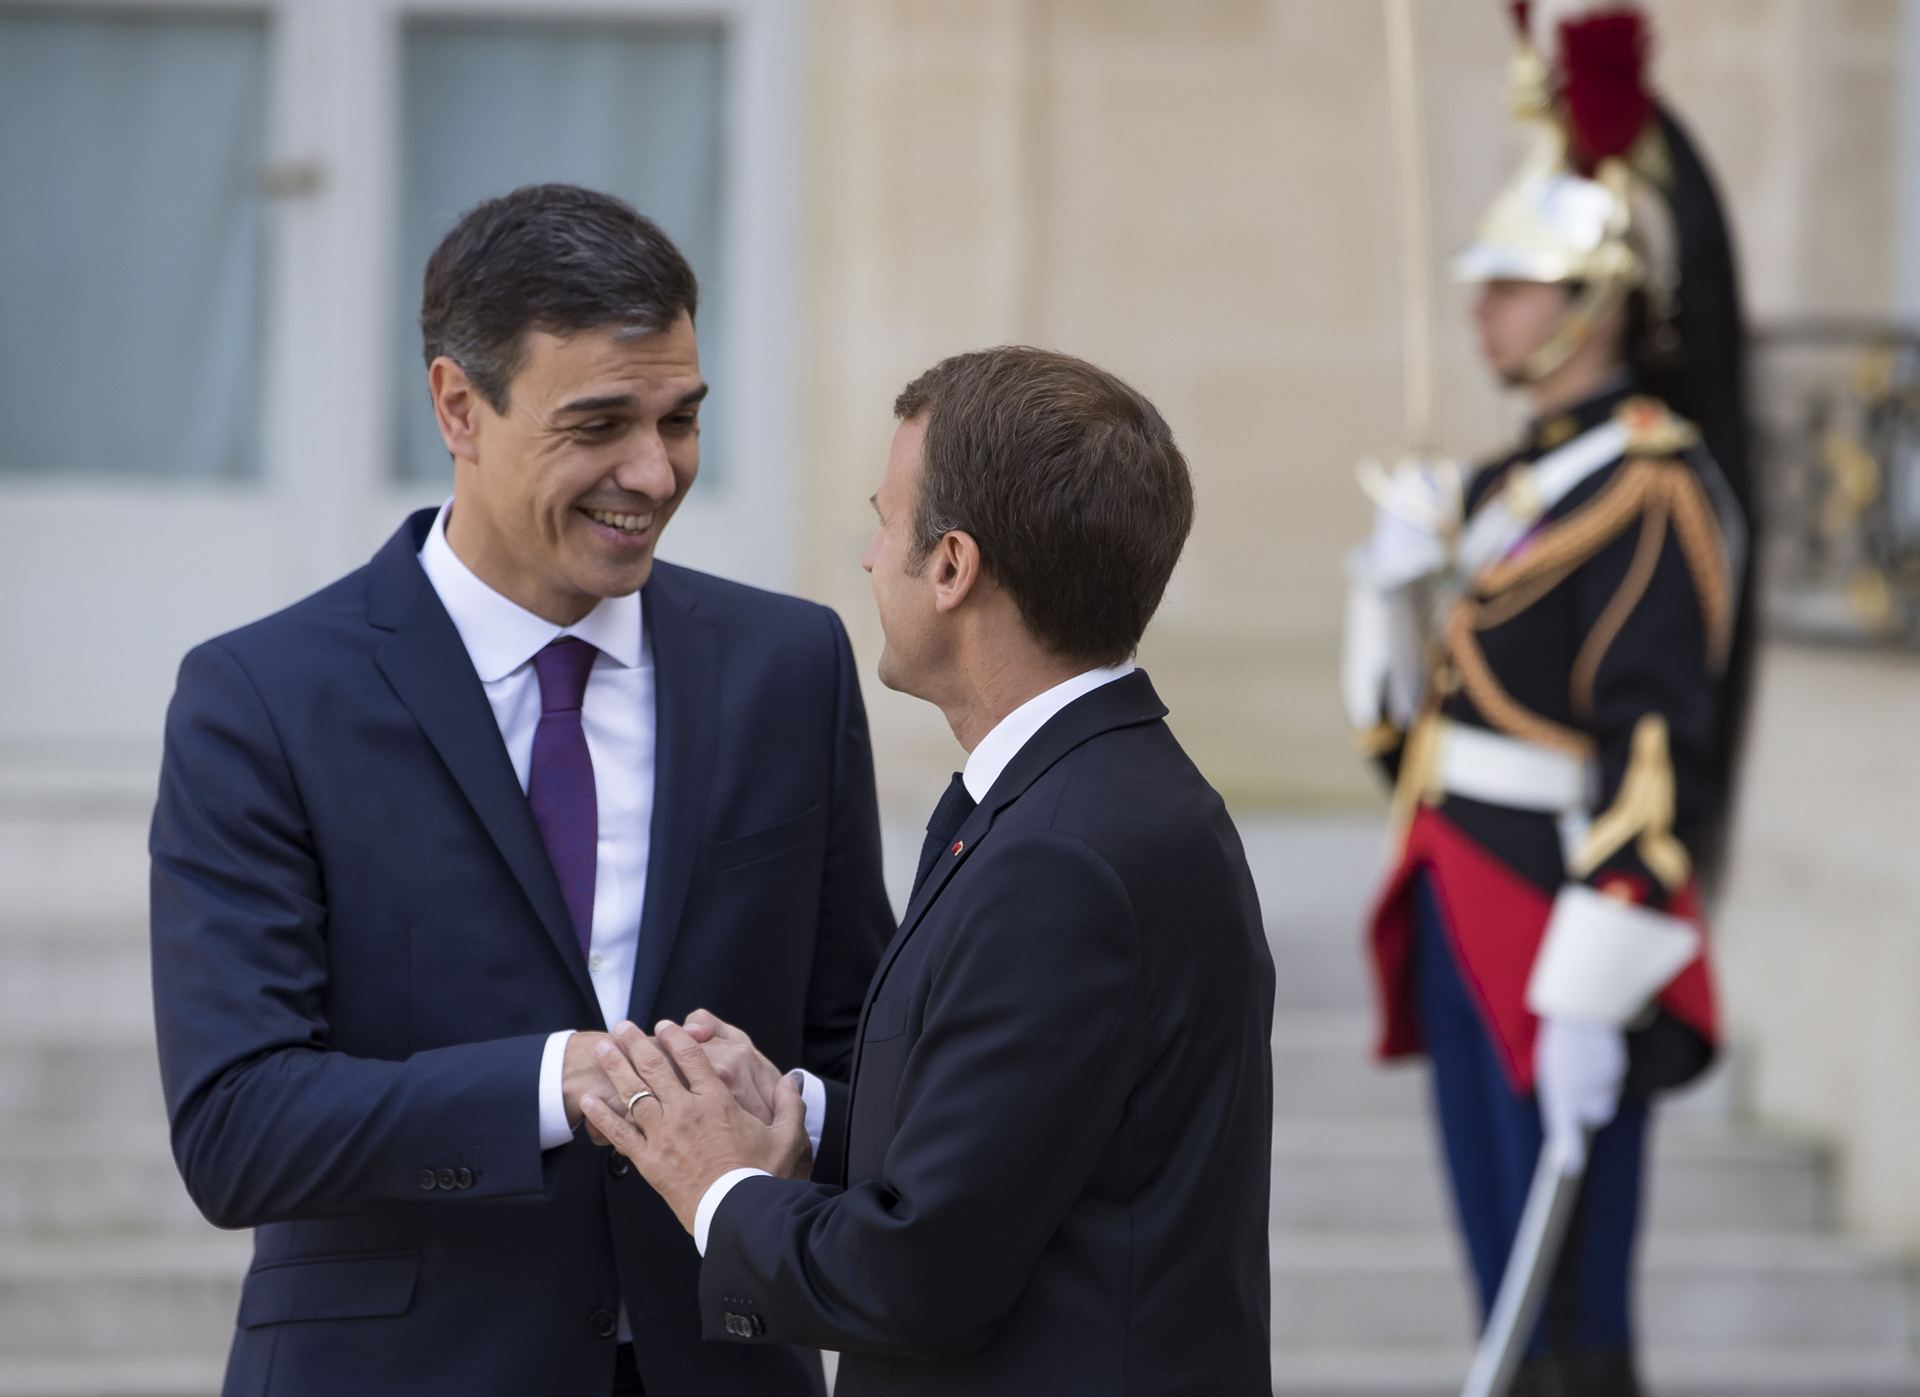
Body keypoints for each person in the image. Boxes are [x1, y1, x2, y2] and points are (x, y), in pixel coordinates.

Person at [149, 183, 893, 1397]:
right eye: (600, 423)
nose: (653, 472)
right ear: (460, 404)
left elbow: (866, 1051)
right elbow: (238, 1127)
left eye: (682, 419)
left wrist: (790, 1106)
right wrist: (554, 1083)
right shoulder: (264, 697)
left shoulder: (788, 668)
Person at [579, 346, 1276, 1395]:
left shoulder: (1063, 852)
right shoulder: (1082, 793)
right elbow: (1020, 1145)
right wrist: (796, 1112)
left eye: (886, 521)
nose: (867, 555)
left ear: (952, 566)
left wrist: (714, 1179)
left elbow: (919, 1272)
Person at [1341, 8, 1756, 1394]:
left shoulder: (1651, 485)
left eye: (1513, 285)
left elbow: (1656, 746)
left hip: (1560, 916)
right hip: (1465, 878)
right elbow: (1415, 728)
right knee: (1498, 1273)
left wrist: (1600, 977)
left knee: (1567, 1307)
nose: (1484, 308)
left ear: (1593, 301)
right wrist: (1390, 590)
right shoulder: (1519, 483)